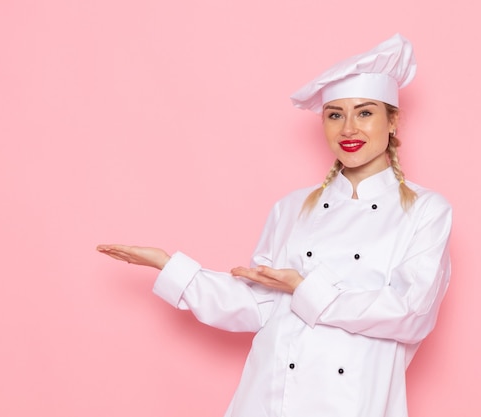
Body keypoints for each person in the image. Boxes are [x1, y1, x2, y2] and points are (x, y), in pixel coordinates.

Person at [97, 33, 452, 417]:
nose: (348, 128)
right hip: (269, 395)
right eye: (335, 114)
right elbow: (257, 305)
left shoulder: (426, 210)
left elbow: (409, 314)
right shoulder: (291, 208)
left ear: (393, 120)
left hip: (353, 402)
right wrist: (170, 266)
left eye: (365, 112)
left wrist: (303, 287)